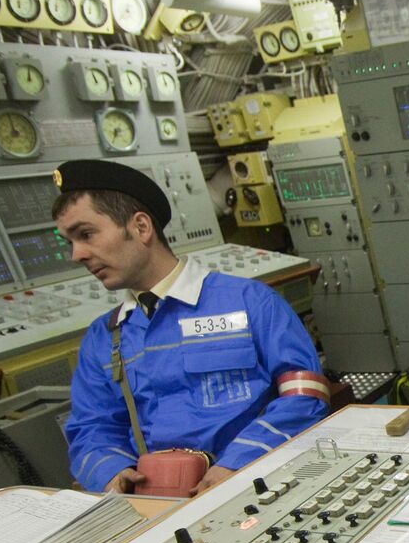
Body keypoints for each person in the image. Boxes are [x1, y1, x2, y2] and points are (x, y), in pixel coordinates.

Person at [55, 159, 329, 496]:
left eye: (86, 234)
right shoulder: (103, 338)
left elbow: (304, 395)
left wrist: (238, 463)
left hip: (259, 481)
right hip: (157, 502)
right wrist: (111, 472)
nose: (77, 255)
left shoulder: (251, 301)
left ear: (141, 227)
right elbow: (91, 427)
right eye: (69, 242)